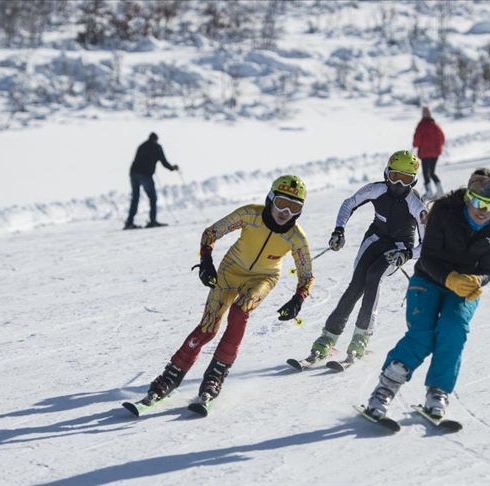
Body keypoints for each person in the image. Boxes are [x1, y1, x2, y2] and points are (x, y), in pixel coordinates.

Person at [141, 175, 314, 406]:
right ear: (271, 199)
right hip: (231, 270)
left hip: (264, 277)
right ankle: (170, 376)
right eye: (282, 203)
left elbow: (306, 275)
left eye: (294, 207)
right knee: (208, 328)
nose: (285, 212)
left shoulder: (296, 237)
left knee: (240, 312)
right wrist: (206, 261)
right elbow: (211, 232)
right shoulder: (250, 214)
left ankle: (216, 375)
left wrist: (298, 298)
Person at [362, 168, 490, 420]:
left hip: (465, 290)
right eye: (477, 202)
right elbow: (429, 258)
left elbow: (488, 270)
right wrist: (450, 278)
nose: (482, 210)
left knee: (453, 332)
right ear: (468, 198)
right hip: (428, 280)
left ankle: (438, 391)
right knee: (422, 335)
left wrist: (475, 280)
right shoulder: (444, 215)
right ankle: (384, 390)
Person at [307, 150, 428, 363]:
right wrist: (339, 230)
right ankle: (328, 337)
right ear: (386, 174)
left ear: (414, 181)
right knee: (356, 285)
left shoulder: (416, 204)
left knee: (373, 277)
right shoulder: (376, 189)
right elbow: (349, 203)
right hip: (374, 239)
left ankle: (361, 337)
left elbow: (427, 244)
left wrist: (407, 254)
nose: (398, 184)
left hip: (399, 247)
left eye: (406, 179)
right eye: (395, 177)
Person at [124, 132, 179, 230]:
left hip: (134, 173)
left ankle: (129, 222)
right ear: (156, 139)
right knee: (152, 197)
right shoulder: (157, 147)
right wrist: (172, 168)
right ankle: (152, 221)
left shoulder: (142, 146)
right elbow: (164, 162)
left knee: (135, 198)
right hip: (145, 175)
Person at [412, 106, 446, 200]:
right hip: (435, 153)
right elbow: (442, 138)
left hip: (425, 154)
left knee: (425, 173)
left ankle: (429, 192)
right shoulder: (435, 125)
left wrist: (416, 145)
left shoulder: (421, 125)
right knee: (432, 172)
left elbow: (416, 141)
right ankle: (440, 190)